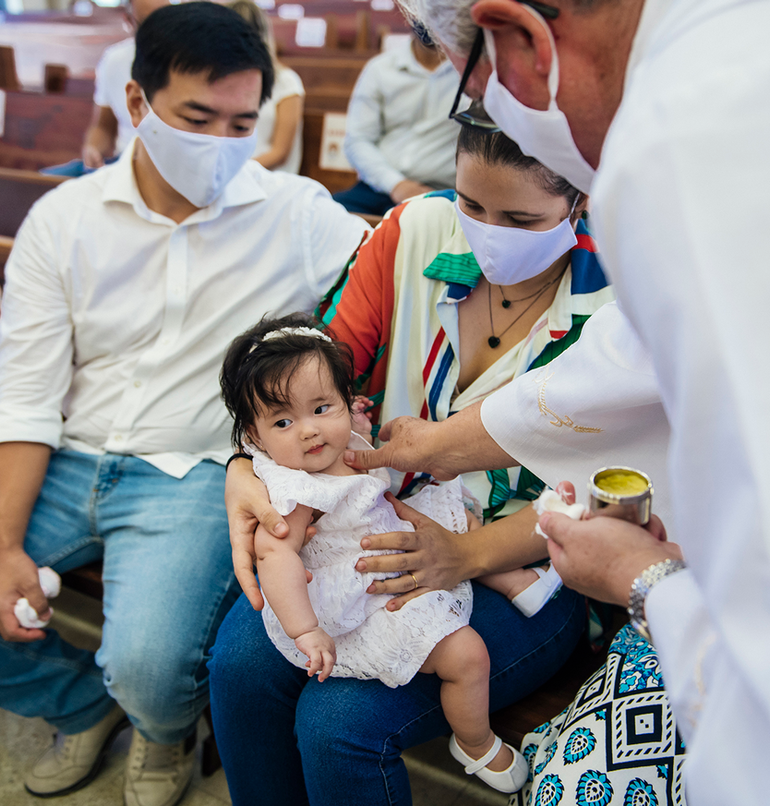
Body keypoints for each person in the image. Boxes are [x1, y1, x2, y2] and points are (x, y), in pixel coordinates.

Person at [351, 0, 770, 802]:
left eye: (477, 88)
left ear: (520, 39)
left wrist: (648, 582)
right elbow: (625, 369)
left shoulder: (681, 132)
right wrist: (435, 446)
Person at [0, 5, 369, 806]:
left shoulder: (296, 215)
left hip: (192, 473)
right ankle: (82, 706)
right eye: (197, 118)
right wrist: (3, 547)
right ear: (137, 104)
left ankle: (159, 727)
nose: (222, 145)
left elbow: (396, 271)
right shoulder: (65, 217)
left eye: (242, 122)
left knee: (150, 666)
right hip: (66, 456)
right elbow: (24, 398)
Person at [211, 124, 669, 805]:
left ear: (579, 199)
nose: (486, 235)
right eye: (471, 204)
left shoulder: (621, 300)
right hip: (362, 531)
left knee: (337, 723)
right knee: (241, 664)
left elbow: (624, 495)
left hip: (536, 559)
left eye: (520, 219)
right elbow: (294, 385)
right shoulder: (415, 234)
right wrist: (243, 471)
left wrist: (464, 554)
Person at [221, 313, 536, 793]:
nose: (308, 431)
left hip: (394, 532)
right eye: (283, 421)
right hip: (365, 592)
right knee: (467, 656)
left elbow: (345, 428)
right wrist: (306, 630)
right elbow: (275, 557)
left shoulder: (340, 435)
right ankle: (474, 742)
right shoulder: (295, 490)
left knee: (457, 511)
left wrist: (354, 420)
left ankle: (505, 574)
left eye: (322, 408)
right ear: (254, 437)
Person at [332, 21, 459, 216]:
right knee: (328, 212)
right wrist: (396, 184)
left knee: (418, 226)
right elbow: (357, 140)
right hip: (379, 186)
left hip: (440, 191)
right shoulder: (380, 68)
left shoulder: (471, 73)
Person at [41, 0, 172, 177]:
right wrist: (93, 148)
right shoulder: (114, 60)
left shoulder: (188, 64)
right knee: (43, 182)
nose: (157, 32)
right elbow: (103, 126)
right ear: (129, 21)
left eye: (165, 21)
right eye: (147, 24)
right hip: (121, 161)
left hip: (164, 166)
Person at [228, 0, 305, 174]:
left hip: (267, 177)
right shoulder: (222, 81)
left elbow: (280, 152)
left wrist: (237, 171)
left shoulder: (286, 81)